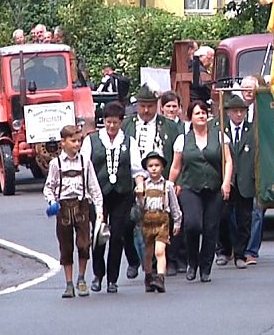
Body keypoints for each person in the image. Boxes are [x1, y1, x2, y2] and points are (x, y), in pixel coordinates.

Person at [81, 102, 145, 294]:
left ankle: (112, 279)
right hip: (98, 195)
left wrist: (140, 184)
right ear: (103, 121)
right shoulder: (91, 141)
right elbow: (84, 168)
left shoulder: (129, 142)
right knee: (99, 235)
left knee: (117, 235)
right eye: (108, 122)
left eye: (115, 123)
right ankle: (97, 275)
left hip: (122, 194)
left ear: (121, 122)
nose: (111, 126)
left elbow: (136, 168)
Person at [169, 100, 233, 283]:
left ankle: (206, 267)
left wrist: (226, 182)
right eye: (197, 113)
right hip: (191, 187)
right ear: (191, 117)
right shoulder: (183, 140)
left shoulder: (220, 137)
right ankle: (192, 262)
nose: (202, 116)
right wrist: (168, 185)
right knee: (192, 225)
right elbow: (176, 166)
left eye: (204, 113)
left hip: (213, 188)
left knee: (211, 228)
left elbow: (228, 161)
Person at [121, 85, 182, 277]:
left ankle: (164, 261)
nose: (146, 111)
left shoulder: (170, 126)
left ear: (156, 106)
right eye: (142, 106)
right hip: (133, 181)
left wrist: (174, 182)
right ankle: (133, 260)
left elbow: (177, 157)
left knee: (164, 219)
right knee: (127, 222)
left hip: (161, 181)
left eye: (149, 106)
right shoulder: (127, 125)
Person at [43, 125, 104, 298]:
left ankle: (81, 279)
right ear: (63, 142)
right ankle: (69, 283)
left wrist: (99, 211)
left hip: (82, 206)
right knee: (66, 246)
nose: (77, 144)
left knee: (84, 245)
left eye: (79, 140)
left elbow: (94, 188)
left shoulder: (85, 162)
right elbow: (49, 187)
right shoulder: (56, 164)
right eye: (73, 141)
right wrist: (52, 201)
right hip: (63, 209)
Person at [215, 95, 256, 269]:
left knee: (244, 219)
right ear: (228, 112)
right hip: (226, 180)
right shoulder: (219, 129)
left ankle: (240, 253)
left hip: (245, 180)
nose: (239, 115)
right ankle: (224, 250)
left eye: (242, 111)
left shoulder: (252, 130)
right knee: (223, 216)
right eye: (235, 111)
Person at [137, 151, 183, 293]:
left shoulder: (167, 186)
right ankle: (149, 276)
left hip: (162, 221)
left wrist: (177, 222)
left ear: (162, 167)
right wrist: (139, 196)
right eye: (150, 166)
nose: (154, 168)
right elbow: (140, 207)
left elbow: (174, 205)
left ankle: (160, 278)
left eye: (157, 165)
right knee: (148, 252)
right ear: (146, 168)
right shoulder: (144, 185)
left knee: (160, 250)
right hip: (148, 221)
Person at [241, 76, 266, 265]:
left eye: (251, 88)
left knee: (258, 211)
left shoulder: (264, 109)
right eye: (245, 88)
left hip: (260, 168)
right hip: (241, 169)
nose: (248, 92)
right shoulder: (233, 109)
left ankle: (252, 251)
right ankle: (238, 248)